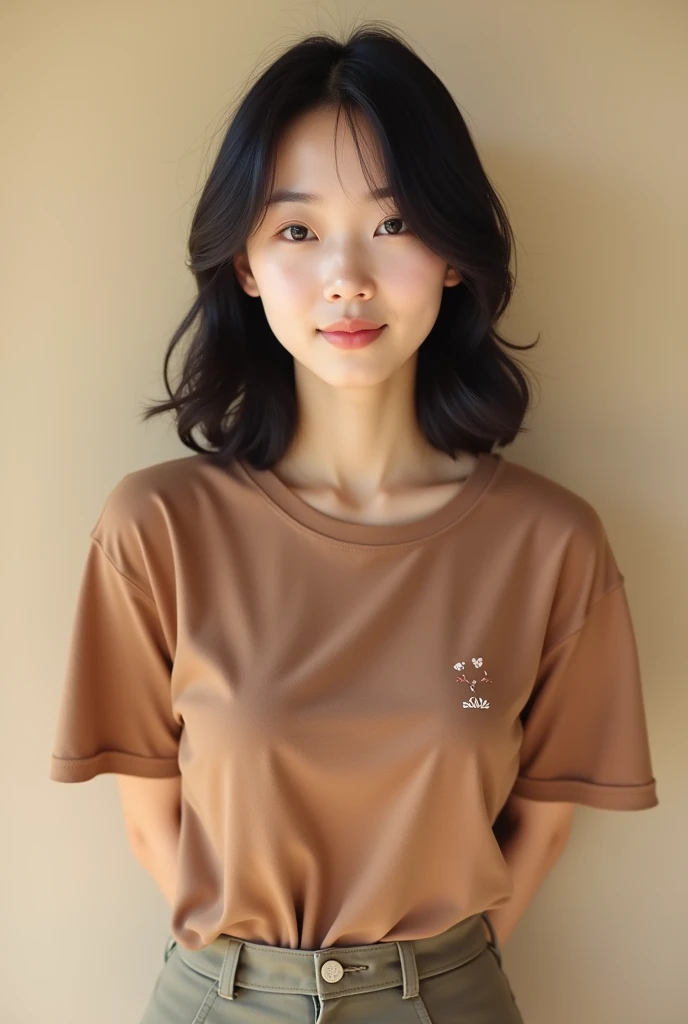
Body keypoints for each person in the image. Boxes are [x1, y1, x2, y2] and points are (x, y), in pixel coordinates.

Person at [48, 22, 659, 1024]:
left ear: (453, 256)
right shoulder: (155, 526)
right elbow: (152, 818)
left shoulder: (550, 544)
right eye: (295, 230)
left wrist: (416, 989)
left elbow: (541, 824)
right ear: (242, 264)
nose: (346, 277)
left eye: (392, 223)